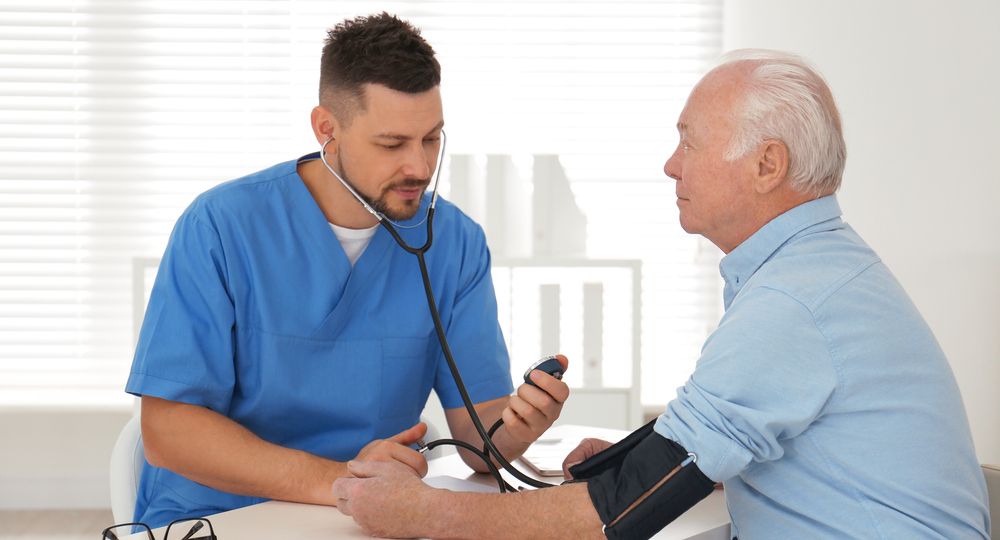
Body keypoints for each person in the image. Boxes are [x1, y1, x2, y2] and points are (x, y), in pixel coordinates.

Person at [332, 49, 991, 539]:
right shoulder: (816, 273)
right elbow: (723, 436)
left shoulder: (794, 303)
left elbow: (618, 515)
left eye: (689, 140)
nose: (671, 164)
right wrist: (622, 461)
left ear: (767, 166)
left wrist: (416, 510)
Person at [125, 12, 569, 527]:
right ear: (326, 129)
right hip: (218, 515)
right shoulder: (221, 226)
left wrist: (518, 426)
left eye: (431, 139)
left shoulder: (455, 243)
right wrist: (339, 481)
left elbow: (477, 444)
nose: (420, 168)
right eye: (392, 144)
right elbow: (167, 432)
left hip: (369, 520)